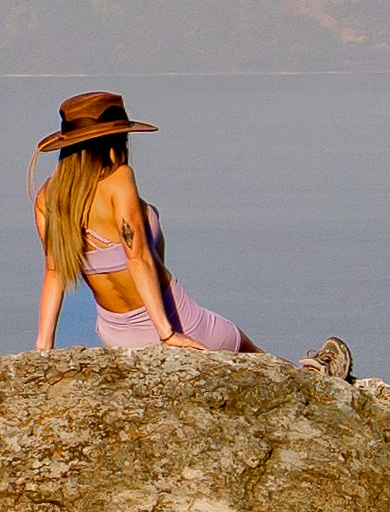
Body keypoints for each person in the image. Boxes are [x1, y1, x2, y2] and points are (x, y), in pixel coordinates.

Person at [29, 89, 264, 355]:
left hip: (114, 333)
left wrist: (42, 349)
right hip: (173, 319)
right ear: (115, 139)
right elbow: (137, 257)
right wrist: (167, 334)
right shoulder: (119, 179)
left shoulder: (48, 198)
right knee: (257, 358)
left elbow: (54, 271)